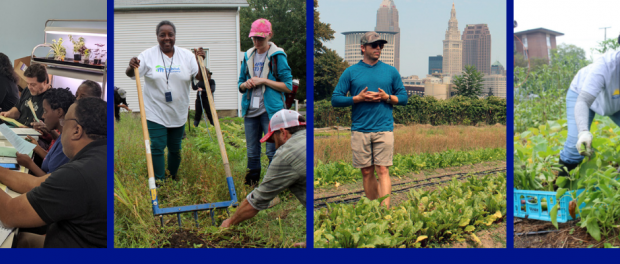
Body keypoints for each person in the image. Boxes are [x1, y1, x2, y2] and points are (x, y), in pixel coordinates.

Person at [0, 97, 107, 248]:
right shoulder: (98, 157)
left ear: (77, 130)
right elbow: (34, 183)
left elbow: (9, 214)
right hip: (70, 239)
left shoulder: (78, 174)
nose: (60, 129)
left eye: (64, 123)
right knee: (21, 239)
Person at [331, 31, 408, 208]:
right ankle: (374, 208)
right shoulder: (351, 72)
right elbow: (335, 99)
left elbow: (403, 98)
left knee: (383, 169)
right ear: (362, 48)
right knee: (366, 171)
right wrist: (357, 99)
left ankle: (385, 211)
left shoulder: (391, 71)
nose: (378, 48)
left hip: (384, 128)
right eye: (374, 45)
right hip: (360, 129)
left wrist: (387, 97)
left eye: (380, 45)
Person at [125, 20, 205, 184]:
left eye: (170, 34)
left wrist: (200, 61)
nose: (166, 38)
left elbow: (200, 77)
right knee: (157, 146)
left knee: (175, 148)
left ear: (175, 36)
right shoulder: (147, 55)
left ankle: (173, 178)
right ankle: (160, 182)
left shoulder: (186, 56)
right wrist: (131, 65)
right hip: (155, 110)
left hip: (179, 111)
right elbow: (131, 74)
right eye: (162, 35)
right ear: (157, 37)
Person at [221, 109, 306, 228]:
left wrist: (229, 222)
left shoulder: (286, 154)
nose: (274, 145)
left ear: (283, 132)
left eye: (273, 139)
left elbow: (257, 200)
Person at [238, 18, 293, 186]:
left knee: (272, 151)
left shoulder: (278, 56)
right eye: (254, 38)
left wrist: (264, 81)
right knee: (252, 152)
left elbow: (288, 86)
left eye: (260, 38)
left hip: (271, 111)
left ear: (269, 35)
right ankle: (252, 185)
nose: (256, 41)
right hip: (250, 111)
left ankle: (272, 185)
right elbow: (240, 84)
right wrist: (245, 85)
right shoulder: (248, 56)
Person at [558, 48, 620, 175]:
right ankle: (562, 188)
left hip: (616, 101)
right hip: (583, 96)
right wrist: (583, 133)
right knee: (574, 150)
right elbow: (583, 101)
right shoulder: (605, 65)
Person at [15, 88, 74, 176]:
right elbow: (52, 160)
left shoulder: (67, 145)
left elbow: (51, 182)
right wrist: (37, 147)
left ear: (59, 112)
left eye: (45, 111)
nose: (43, 115)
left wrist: (30, 164)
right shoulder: (62, 136)